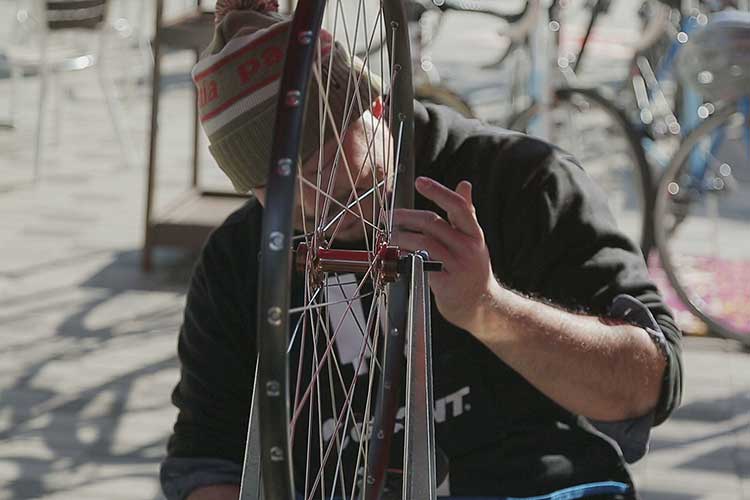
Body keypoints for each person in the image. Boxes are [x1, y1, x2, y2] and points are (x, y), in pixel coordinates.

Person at [160, 2, 683, 499]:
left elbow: (645, 386)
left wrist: (489, 309)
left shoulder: (522, 181)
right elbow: (205, 457)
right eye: (281, 194)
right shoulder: (237, 257)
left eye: (326, 167)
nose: (314, 200)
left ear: (376, 105)